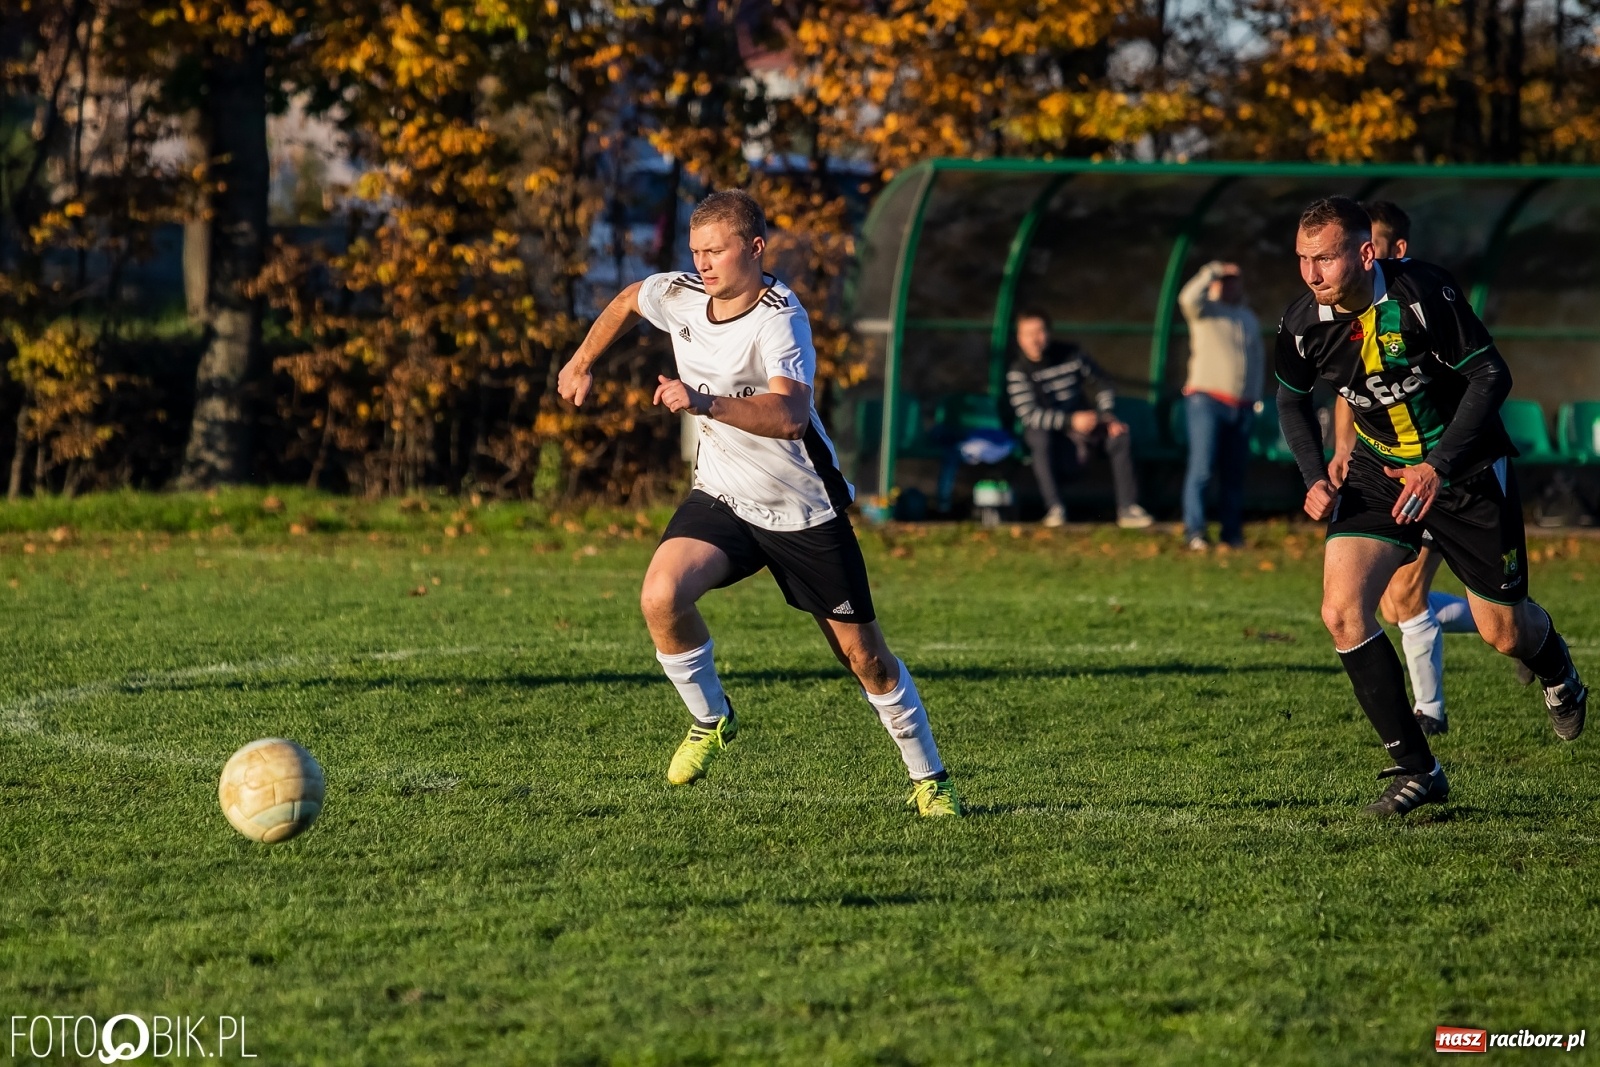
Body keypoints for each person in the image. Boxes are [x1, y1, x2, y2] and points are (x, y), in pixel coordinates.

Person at [556, 189, 961, 817]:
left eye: (715, 251)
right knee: (661, 595)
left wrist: (704, 401)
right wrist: (581, 361)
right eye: (695, 252)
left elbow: (792, 416)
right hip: (722, 494)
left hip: (802, 508)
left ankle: (929, 777)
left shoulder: (780, 318)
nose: (704, 264)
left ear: (755, 247)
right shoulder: (684, 295)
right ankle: (711, 718)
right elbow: (628, 299)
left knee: (866, 659)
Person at [1275, 195, 1587, 817]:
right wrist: (1314, 475)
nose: (1312, 275)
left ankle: (1554, 663)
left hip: (1464, 473)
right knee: (1342, 612)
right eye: (1303, 259)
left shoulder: (1424, 296)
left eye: (1326, 259)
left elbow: (1492, 376)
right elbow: (1290, 401)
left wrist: (1436, 465)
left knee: (1504, 632)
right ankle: (1419, 769)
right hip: (1376, 470)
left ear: (1365, 254)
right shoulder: (1303, 321)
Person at [1326, 200, 1478, 737]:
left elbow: (1476, 378)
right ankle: (1514, 626)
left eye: (1369, 245)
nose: (1357, 259)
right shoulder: (1349, 315)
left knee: (1405, 596)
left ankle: (1429, 713)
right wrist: (1344, 449)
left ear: (1391, 249)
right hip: (1387, 469)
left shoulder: (1425, 301)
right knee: (1393, 605)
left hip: (1444, 472)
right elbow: (1354, 391)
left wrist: (1441, 458)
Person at [1004, 309, 1154, 529]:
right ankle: (1055, 508)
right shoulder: (1018, 372)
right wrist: (1070, 421)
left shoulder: (1072, 355)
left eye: (1039, 332)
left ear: (1048, 332)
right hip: (1054, 431)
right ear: (1019, 338)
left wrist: (1105, 416)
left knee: (1119, 436)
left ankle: (1128, 509)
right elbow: (1029, 415)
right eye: (1028, 334)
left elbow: (1103, 383)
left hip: (1087, 425)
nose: (1035, 340)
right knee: (1038, 438)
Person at [1177, 260, 1264, 551]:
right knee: (1201, 468)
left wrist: (1255, 397)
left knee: (1234, 472)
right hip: (1207, 401)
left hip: (1241, 406)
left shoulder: (1247, 317)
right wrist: (1211, 271)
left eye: (1234, 279)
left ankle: (1232, 533)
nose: (1229, 284)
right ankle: (1195, 532)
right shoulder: (1205, 311)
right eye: (1224, 280)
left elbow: (1258, 361)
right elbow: (1187, 298)